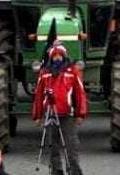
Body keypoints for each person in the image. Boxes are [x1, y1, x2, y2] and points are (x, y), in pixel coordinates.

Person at [32, 43, 87, 175]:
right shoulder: (45, 73)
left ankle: (74, 171)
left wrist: (80, 113)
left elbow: (80, 93)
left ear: (64, 56)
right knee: (53, 146)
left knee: (71, 146)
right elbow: (39, 95)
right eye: (54, 55)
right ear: (51, 57)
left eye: (59, 55)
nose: (57, 58)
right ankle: (56, 171)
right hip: (50, 114)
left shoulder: (72, 71)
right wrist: (37, 115)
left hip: (68, 115)